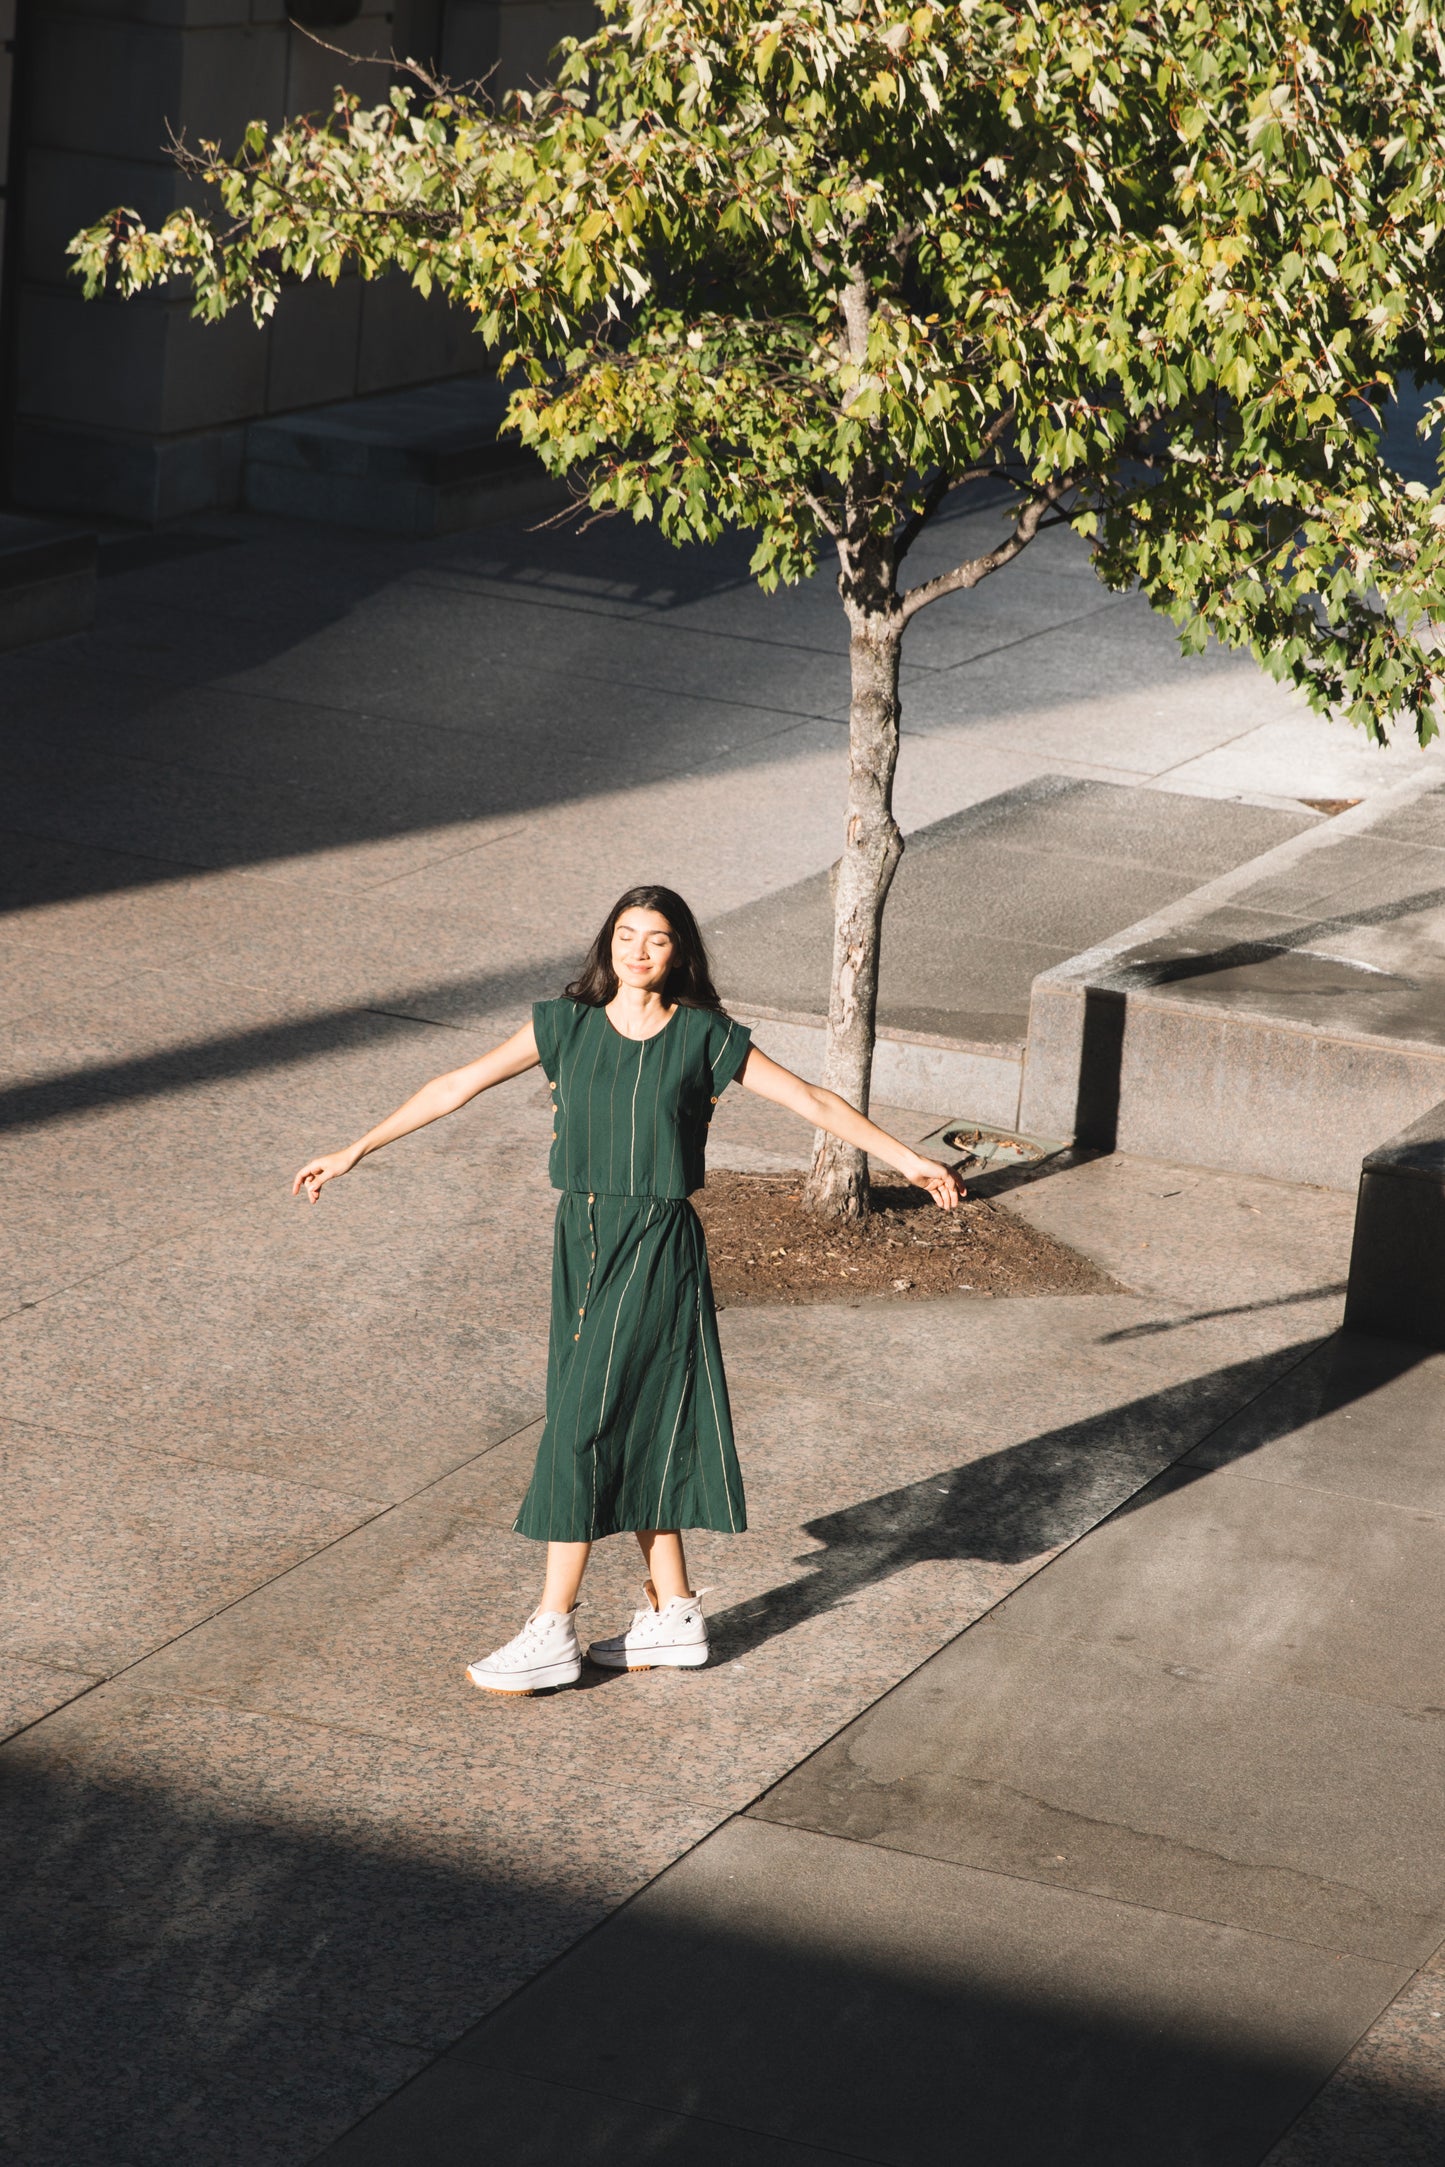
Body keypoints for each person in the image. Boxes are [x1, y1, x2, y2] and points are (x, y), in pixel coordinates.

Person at [292, 884, 962, 1694]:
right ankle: (675, 1609)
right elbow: (454, 1084)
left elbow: (811, 1101)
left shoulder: (705, 1038)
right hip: (577, 1238)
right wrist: (356, 1147)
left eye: (656, 938)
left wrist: (905, 1159)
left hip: (653, 1244)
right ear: (606, 943)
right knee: (627, 1419)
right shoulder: (563, 1025)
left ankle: (551, 1625)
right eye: (625, 934)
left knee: (580, 1425)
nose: (637, 949)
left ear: (680, 952)